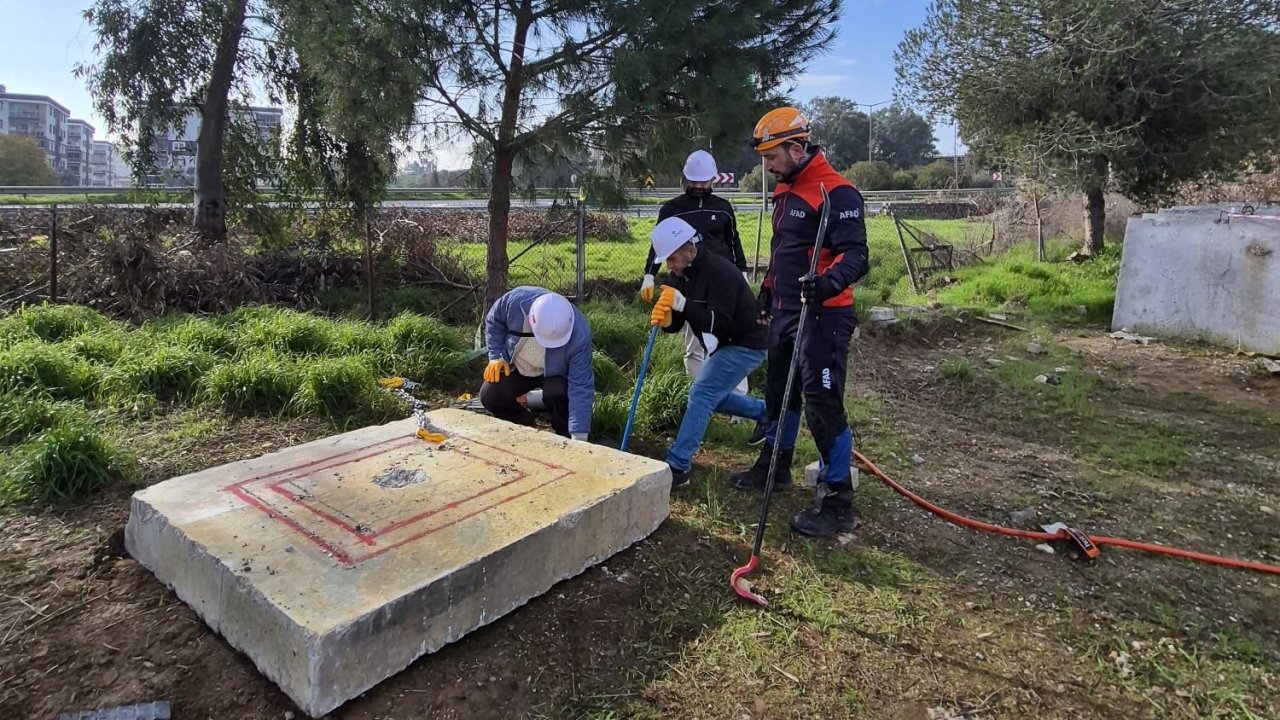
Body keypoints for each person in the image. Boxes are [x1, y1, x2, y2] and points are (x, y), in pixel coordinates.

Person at [729, 106, 870, 538]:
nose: (767, 168)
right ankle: (775, 466)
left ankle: (837, 501)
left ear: (796, 147)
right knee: (779, 395)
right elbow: (783, 249)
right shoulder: (787, 191)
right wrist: (770, 288)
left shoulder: (838, 193)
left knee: (823, 407)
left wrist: (827, 284)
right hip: (787, 311)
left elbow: (857, 256)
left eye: (772, 158)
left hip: (824, 316)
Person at [640, 151, 761, 439]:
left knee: (729, 343)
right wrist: (649, 273)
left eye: (702, 182)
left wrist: (741, 272)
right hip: (686, 282)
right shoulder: (672, 208)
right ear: (685, 180)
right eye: (693, 182)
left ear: (712, 179)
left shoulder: (723, 207)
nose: (697, 187)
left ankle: (738, 408)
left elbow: (734, 242)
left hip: (723, 283)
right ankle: (703, 398)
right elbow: (660, 243)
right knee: (695, 344)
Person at [647, 217, 769, 488]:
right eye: (667, 261)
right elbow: (681, 321)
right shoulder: (679, 276)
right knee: (711, 393)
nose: (670, 266)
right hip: (724, 343)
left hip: (746, 341)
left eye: (673, 259)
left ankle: (678, 465)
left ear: (689, 250)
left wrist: (683, 304)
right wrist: (668, 320)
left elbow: (717, 322)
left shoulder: (721, 272)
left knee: (702, 393)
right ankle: (767, 413)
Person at [480, 287, 594, 441]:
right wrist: (495, 356)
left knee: (559, 394)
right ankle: (526, 426)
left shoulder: (580, 335)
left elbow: (580, 386)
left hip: (554, 373)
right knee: (490, 395)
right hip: (517, 366)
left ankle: (564, 435)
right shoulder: (515, 301)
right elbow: (494, 321)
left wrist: (579, 435)